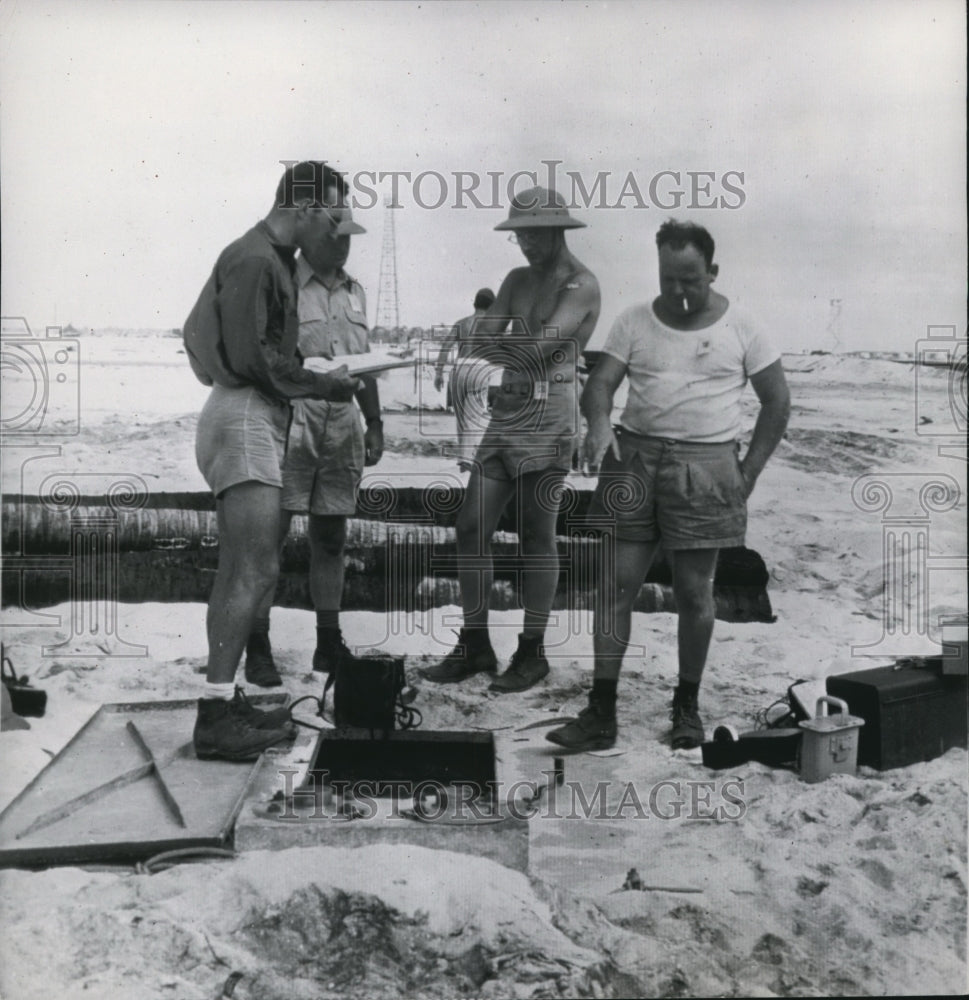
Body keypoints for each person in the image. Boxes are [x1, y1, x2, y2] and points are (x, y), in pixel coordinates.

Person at [547, 220, 790, 752]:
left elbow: (778, 402)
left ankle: (686, 705)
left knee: (693, 593)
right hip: (633, 460)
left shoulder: (744, 326)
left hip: (706, 470)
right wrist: (599, 424)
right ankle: (601, 711)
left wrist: (747, 472)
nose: (678, 292)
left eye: (691, 281)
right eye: (668, 280)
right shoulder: (633, 322)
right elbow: (602, 385)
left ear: (713, 272)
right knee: (615, 587)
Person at [183, 161, 360, 761]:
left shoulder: (262, 256)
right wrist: (323, 385)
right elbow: (256, 359)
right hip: (245, 417)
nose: (339, 230)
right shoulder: (260, 259)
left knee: (239, 567)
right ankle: (214, 718)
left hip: (241, 412)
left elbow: (198, 340)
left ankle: (220, 698)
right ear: (306, 208)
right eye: (334, 216)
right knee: (254, 571)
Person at [421, 187, 601, 692]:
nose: (523, 243)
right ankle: (475, 642)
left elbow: (541, 347)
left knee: (536, 533)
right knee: (471, 523)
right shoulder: (517, 279)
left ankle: (532, 650)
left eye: (531, 233)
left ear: (556, 229)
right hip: (506, 412)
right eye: (518, 233)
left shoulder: (581, 284)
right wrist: (508, 341)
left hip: (549, 416)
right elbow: (485, 339)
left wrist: (505, 340)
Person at [244, 167, 383, 684]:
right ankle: (258, 643)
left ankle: (329, 642)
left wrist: (375, 423)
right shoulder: (282, 281)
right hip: (292, 419)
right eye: (335, 232)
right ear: (314, 227)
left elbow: (364, 363)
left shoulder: (357, 292)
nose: (342, 245)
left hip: (343, 424)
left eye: (348, 236)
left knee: (331, 538)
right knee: (270, 538)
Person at [433, 288, 496, 470]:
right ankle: (469, 459)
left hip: (459, 368)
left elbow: (446, 346)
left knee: (461, 417)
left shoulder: (462, 323)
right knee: (475, 416)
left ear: (474, 304)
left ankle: (464, 458)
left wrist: (438, 373)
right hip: (479, 368)